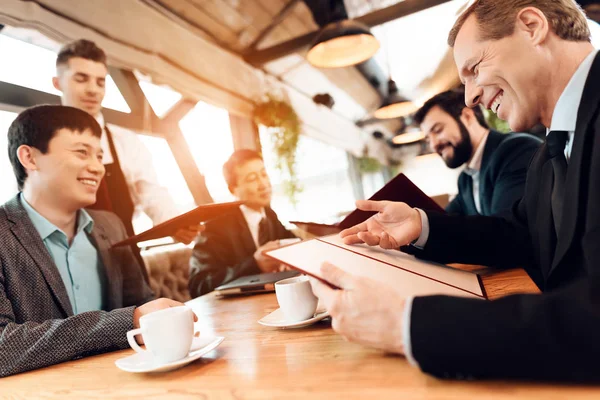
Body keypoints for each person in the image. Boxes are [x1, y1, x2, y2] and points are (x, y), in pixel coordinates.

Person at [310, 0, 600, 381]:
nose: (470, 98)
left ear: (532, 26)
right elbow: (518, 234)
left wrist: (408, 325)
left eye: (474, 69)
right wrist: (420, 225)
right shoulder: (550, 152)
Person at [0, 105, 193, 377]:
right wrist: (128, 321)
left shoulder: (111, 226)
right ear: (30, 158)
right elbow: (3, 346)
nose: (97, 167)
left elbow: (141, 303)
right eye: (82, 152)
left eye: (100, 156)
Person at [52, 39, 200, 244]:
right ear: (57, 83)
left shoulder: (125, 140)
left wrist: (173, 222)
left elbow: (150, 192)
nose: (93, 90)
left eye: (100, 82)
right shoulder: (42, 144)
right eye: (81, 79)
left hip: (125, 259)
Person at [414, 89, 541, 216]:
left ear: (467, 117)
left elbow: (506, 228)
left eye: (438, 130)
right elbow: (445, 222)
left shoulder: (515, 150)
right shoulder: (465, 180)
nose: (433, 144)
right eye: (428, 139)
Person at [189, 150, 296, 297]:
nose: (263, 184)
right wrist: (254, 264)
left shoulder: (270, 216)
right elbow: (199, 285)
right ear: (233, 189)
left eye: (264, 174)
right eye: (252, 179)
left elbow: (294, 243)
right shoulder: (214, 227)